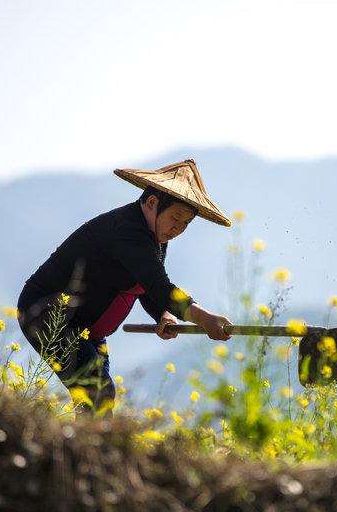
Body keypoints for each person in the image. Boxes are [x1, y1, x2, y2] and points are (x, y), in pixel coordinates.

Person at [17, 159, 233, 418]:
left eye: (185, 223)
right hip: (48, 315)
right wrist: (204, 318)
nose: (178, 229)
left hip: (86, 329)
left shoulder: (156, 237)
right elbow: (158, 285)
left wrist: (162, 314)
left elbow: (145, 284)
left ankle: (79, 452)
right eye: (175, 218)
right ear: (152, 204)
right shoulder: (128, 229)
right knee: (98, 392)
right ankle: (80, 454)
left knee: (98, 397)